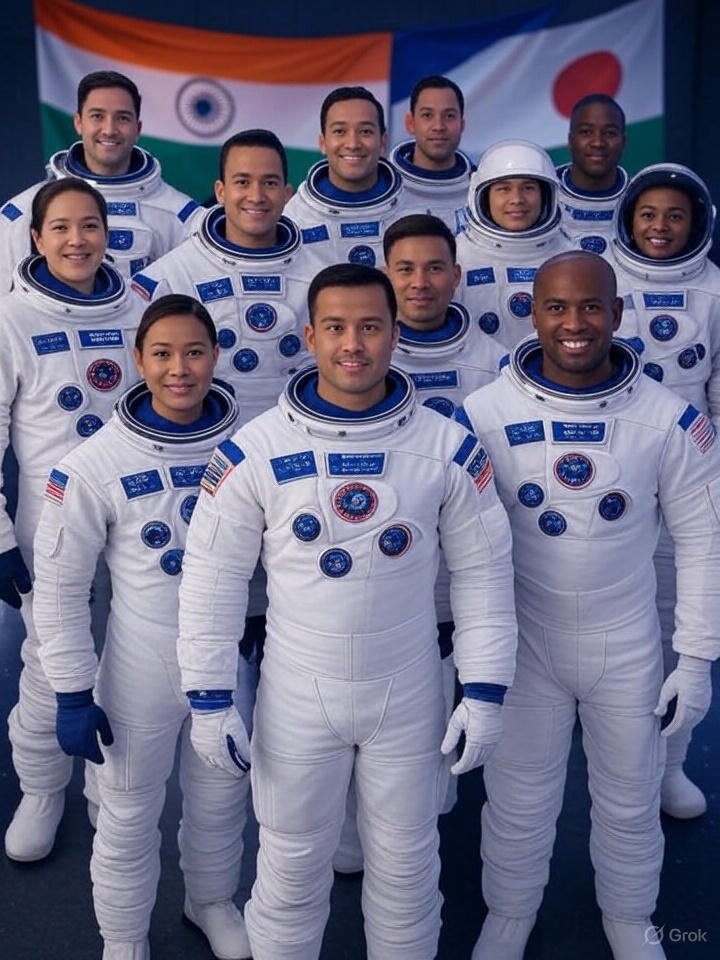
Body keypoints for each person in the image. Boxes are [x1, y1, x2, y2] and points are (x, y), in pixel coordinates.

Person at [177, 262, 517, 959]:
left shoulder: (446, 445)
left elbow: (484, 576)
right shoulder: (256, 449)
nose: (352, 344)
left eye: (369, 326)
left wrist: (484, 690)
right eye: (335, 328)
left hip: (408, 687)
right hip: (299, 692)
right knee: (292, 864)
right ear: (309, 336)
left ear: (396, 334)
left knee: (407, 864)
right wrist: (209, 698)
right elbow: (212, 583)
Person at [460, 251, 720, 960]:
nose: (574, 324)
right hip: (527, 643)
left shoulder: (668, 419)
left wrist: (695, 660)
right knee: (517, 800)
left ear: (617, 313)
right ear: (533, 313)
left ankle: (631, 918)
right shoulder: (484, 414)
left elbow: (705, 542)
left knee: (632, 798)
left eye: (591, 307)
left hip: (626, 643)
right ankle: (509, 914)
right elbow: (457, 547)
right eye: (556, 308)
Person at [31, 295, 252, 960]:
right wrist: (72, 689)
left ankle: (209, 899)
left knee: (220, 800)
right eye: (162, 354)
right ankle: (123, 939)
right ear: (139, 360)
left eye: (193, 352)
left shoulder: (253, 449)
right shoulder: (93, 464)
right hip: (138, 671)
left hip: (227, 662)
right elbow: (62, 588)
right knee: (127, 815)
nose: (178, 369)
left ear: (215, 356)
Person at [331, 214, 506, 874]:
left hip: (454, 559)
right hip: (372, 563)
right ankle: (353, 818)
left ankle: (413, 819)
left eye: (435, 267)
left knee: (431, 713)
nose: (421, 281)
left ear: (457, 275)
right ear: (385, 276)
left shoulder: (494, 363)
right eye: (404, 269)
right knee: (355, 699)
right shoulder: (360, 353)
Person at [1, 177, 144, 862]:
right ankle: (42, 787)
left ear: (107, 233)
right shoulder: (11, 321)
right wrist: (0, 540)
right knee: (50, 660)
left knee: (126, 662)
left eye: (89, 226)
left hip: (136, 516)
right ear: (36, 239)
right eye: (60, 228)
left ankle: (103, 791)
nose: (77, 240)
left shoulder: (138, 310)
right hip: (50, 526)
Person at [611, 162, 720, 819]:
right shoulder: (602, 276)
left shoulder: (712, 290)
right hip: (611, 472)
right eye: (649, 214)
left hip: (687, 474)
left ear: (696, 223)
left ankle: (668, 766)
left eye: (674, 216)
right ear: (629, 218)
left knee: (677, 621)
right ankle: (617, 757)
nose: (660, 227)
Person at [131, 129, 312, 422]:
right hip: (202, 445)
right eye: (242, 182)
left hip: (295, 441)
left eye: (270, 183)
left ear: (287, 194)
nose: (256, 196)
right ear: (220, 192)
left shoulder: (320, 275)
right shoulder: (170, 278)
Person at [0, 70, 203, 290]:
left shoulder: (181, 215)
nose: (109, 130)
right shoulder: (21, 213)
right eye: (97, 116)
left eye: (122, 118)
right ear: (78, 122)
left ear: (138, 128)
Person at [456, 139, 573, 349]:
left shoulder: (570, 257)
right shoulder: (458, 256)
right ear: (483, 196)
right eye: (504, 189)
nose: (517, 199)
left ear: (545, 195)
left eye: (528, 188)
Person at [283, 86, 410, 269]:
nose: (353, 144)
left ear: (383, 142)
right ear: (323, 143)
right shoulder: (295, 218)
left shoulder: (414, 208)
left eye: (365, 131)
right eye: (340, 132)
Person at [389, 75, 472, 235]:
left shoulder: (481, 189)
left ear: (462, 124)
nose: (438, 126)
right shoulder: (384, 187)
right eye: (427, 115)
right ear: (410, 123)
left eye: (449, 116)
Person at [556, 94, 628, 257]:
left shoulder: (639, 199)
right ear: (570, 140)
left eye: (609, 133)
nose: (598, 143)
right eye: (586, 132)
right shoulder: (543, 194)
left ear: (623, 142)